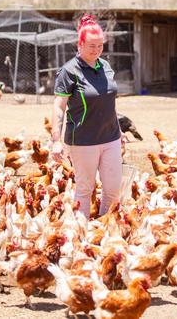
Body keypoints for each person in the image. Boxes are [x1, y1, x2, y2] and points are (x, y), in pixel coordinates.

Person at [51, 14, 123, 219]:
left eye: (100, 45)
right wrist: (56, 140)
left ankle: (105, 232)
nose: (97, 50)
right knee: (85, 189)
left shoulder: (106, 67)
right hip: (83, 140)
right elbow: (59, 106)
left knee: (112, 190)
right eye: (92, 46)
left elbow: (108, 102)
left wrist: (120, 130)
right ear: (79, 44)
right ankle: (79, 235)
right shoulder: (69, 71)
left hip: (110, 138)